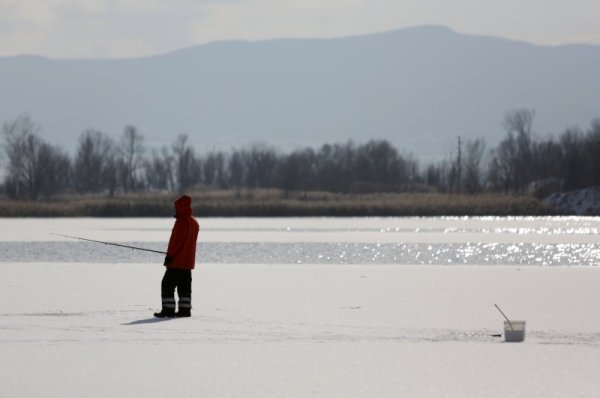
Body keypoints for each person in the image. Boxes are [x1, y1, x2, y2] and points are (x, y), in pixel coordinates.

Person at [154, 195, 200, 318]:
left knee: (167, 284)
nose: (175, 209)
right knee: (184, 287)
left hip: (177, 261)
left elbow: (176, 242)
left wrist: (169, 256)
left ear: (181, 207)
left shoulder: (181, 222)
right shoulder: (194, 222)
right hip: (188, 262)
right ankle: (185, 310)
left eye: (177, 207)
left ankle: (168, 310)